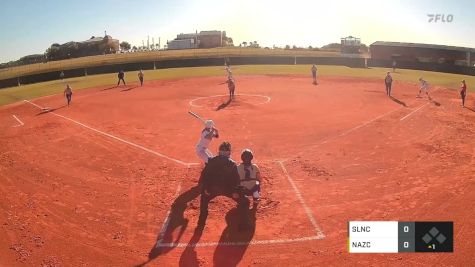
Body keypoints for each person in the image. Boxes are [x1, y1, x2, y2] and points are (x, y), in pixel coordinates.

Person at [197, 142, 251, 231]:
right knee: (245, 202)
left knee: (204, 199)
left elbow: (204, 175)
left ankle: (200, 224)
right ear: (229, 152)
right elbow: (236, 180)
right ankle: (244, 226)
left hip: (212, 189)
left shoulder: (211, 161)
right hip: (228, 189)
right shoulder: (232, 163)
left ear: (219, 152)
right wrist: (235, 192)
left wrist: (206, 189)